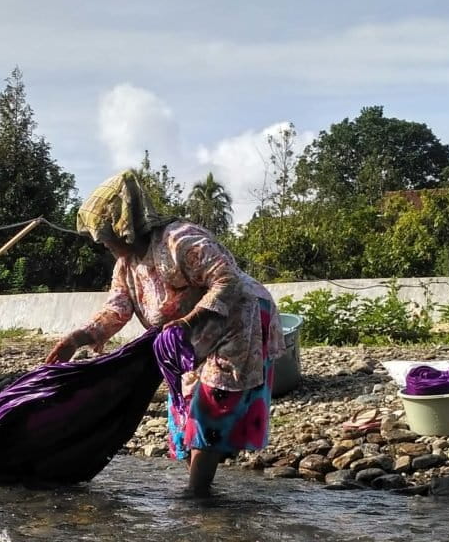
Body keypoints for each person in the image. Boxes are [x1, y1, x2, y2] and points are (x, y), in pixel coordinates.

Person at [45, 171, 284, 495]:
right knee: (183, 407)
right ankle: (202, 491)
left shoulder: (180, 241)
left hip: (237, 319)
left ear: (121, 225)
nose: (100, 241)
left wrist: (191, 319)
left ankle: (196, 496)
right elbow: (116, 310)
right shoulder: (126, 266)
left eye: (102, 233)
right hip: (189, 339)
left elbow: (226, 279)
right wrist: (77, 338)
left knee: (209, 403)